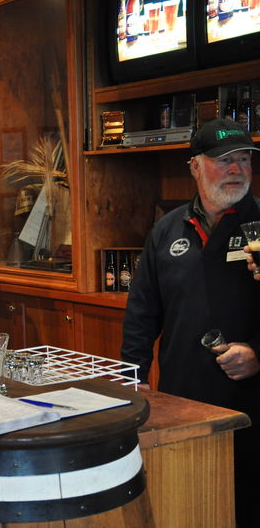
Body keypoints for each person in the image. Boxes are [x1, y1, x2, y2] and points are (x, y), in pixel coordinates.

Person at [121, 118, 260, 526]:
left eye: (244, 160)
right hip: (182, 396)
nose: (236, 169)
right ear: (195, 166)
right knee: (187, 501)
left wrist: (257, 352)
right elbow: (142, 311)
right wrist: (134, 378)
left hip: (251, 401)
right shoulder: (167, 229)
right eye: (223, 160)